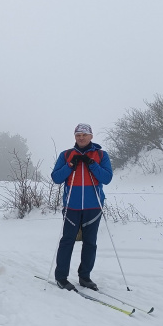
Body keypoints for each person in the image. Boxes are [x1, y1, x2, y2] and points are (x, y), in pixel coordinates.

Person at [50, 123, 113, 291]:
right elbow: (56, 177)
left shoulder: (101, 155)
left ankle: (85, 277)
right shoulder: (66, 155)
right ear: (75, 137)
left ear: (91, 136)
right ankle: (61, 277)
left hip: (94, 207)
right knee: (67, 241)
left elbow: (106, 178)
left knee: (90, 243)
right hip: (72, 206)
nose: (81, 137)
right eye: (78, 135)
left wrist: (91, 163)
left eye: (84, 134)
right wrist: (71, 165)